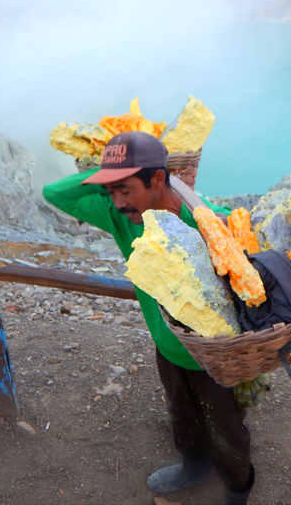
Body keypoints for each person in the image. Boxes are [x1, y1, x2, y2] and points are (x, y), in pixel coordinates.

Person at [43, 131, 254, 505]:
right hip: (167, 342)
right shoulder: (122, 217)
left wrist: (158, 173)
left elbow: (246, 248)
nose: (118, 201)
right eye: (111, 191)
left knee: (226, 426)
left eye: (126, 189)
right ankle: (194, 464)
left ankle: (237, 489)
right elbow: (56, 193)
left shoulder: (202, 221)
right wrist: (107, 169)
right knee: (181, 410)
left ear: (158, 180)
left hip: (216, 354)